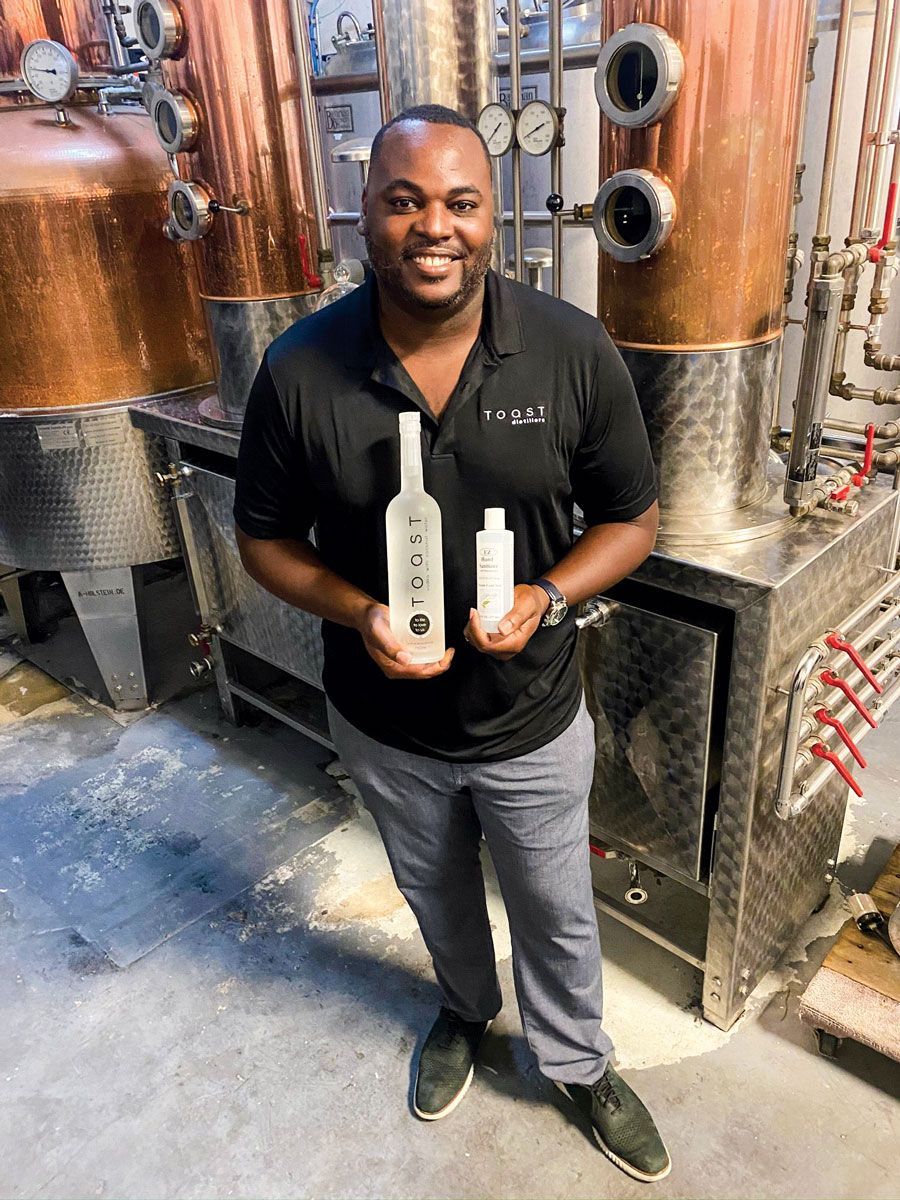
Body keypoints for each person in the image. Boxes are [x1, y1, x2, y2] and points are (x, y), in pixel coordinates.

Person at [233, 104, 668, 1183]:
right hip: (385, 723)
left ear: (492, 216)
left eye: (460, 202)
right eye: (405, 200)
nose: (435, 225)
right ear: (365, 217)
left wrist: (548, 596)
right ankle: (466, 1011)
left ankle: (577, 1062)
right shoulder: (301, 368)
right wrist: (359, 612)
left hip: (531, 717)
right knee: (434, 892)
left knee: (556, 912)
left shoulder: (569, 349)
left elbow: (634, 519)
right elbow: (263, 541)